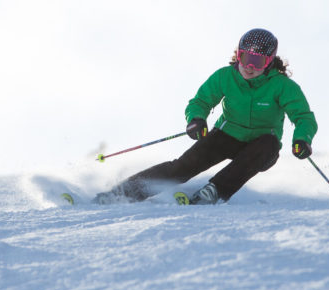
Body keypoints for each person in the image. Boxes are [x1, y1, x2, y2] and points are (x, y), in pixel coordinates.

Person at [94, 28, 317, 205]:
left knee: (268, 144)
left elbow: (303, 117)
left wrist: (302, 139)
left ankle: (215, 191)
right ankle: (123, 193)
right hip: (227, 136)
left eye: (257, 62)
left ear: (269, 62)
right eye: (245, 57)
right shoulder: (225, 77)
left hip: (260, 148)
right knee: (182, 167)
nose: (249, 66)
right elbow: (200, 102)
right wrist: (196, 119)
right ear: (238, 54)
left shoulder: (282, 86)